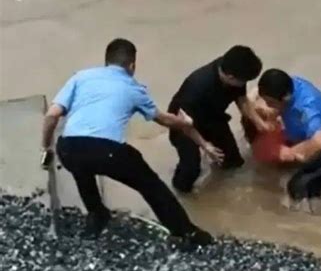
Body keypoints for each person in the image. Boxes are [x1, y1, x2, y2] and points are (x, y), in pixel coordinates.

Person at [41, 38, 214, 248]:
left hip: (68, 148)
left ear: (107, 61)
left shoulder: (81, 77)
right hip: (107, 153)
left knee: (81, 165)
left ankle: (96, 214)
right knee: (151, 185)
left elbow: (52, 115)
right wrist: (185, 122)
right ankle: (185, 232)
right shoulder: (133, 88)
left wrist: (46, 147)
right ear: (132, 65)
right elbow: (163, 119)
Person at [168, 46, 269, 193]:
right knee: (191, 168)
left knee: (233, 161)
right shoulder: (197, 86)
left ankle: (219, 187)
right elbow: (184, 122)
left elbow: (242, 99)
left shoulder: (235, 69)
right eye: (244, 81)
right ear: (230, 77)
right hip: (183, 124)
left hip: (212, 117)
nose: (245, 84)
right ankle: (181, 196)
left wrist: (259, 123)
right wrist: (205, 145)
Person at [256, 69, 321, 200]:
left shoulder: (307, 110)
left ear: (285, 97)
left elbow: (320, 143)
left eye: (270, 102)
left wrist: (290, 153)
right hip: (317, 132)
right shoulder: (290, 83)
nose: (267, 106)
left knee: (296, 188)